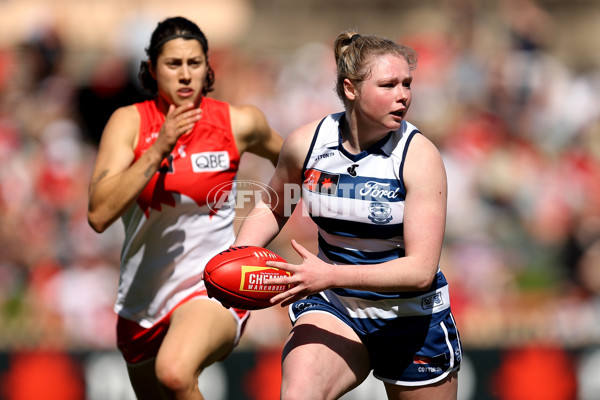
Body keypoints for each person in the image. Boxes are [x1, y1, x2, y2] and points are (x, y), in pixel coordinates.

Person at [233, 30, 462, 399]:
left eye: (407, 83)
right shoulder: (306, 145)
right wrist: (238, 254)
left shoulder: (419, 157)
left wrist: (328, 274)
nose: (403, 95)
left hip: (410, 318)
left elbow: (420, 271)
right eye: (388, 84)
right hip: (335, 306)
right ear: (350, 89)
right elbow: (274, 205)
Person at [87, 16, 283, 400]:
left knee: (175, 373)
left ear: (208, 68)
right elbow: (98, 214)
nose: (185, 74)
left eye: (194, 63)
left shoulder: (238, 122)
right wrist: (158, 148)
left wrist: (269, 220)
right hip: (141, 303)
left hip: (212, 286)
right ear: (151, 70)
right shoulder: (128, 123)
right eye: (173, 64)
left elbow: (299, 162)